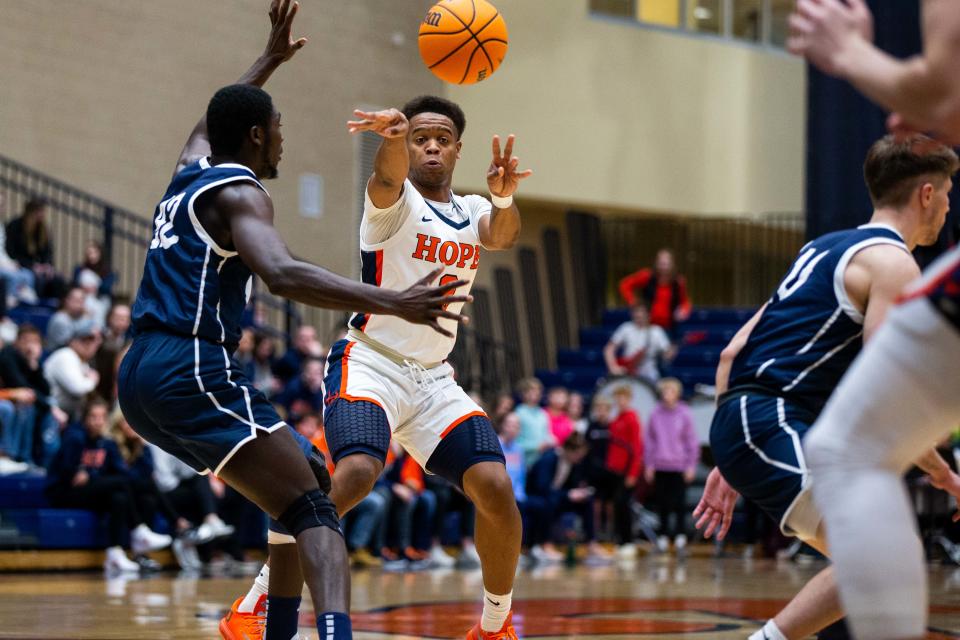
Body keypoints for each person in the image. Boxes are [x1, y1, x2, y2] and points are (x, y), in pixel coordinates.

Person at [114, 4, 467, 640]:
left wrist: (270, 59)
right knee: (314, 504)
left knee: (302, 484)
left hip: (138, 373)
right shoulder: (242, 191)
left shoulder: (189, 172)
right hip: (189, 367)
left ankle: (269, 629)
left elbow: (209, 120)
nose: (283, 137)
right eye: (276, 126)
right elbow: (281, 272)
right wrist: (392, 300)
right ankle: (331, 632)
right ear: (254, 137)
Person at [229, 92, 532, 640]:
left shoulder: (470, 210)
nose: (431, 147)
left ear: (458, 149)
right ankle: (252, 604)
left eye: (441, 139)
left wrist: (505, 199)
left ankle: (494, 626)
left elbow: (502, 236)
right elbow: (387, 175)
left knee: (494, 486)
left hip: (434, 377)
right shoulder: (392, 203)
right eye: (420, 138)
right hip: (370, 361)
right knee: (358, 473)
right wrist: (391, 139)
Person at [693, 134, 960, 640]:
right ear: (926, 194)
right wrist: (944, 474)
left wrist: (731, 455)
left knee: (881, 559)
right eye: (948, 191)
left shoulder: (822, 247)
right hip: (770, 418)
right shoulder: (895, 264)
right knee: (877, 558)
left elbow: (732, 352)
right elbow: (889, 392)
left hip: (756, 420)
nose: (950, 205)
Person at [788, 2, 960, 638]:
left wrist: (850, 54)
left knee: (852, 450)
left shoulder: (862, 256)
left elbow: (943, 94)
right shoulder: (883, 259)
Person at [45, 398, 172, 573]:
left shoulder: (107, 443)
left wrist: (90, 475)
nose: (98, 422)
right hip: (63, 493)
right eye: (93, 417)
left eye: (102, 417)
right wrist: (91, 475)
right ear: (85, 418)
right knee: (119, 484)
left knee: (119, 497)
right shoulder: (75, 437)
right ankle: (138, 531)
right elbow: (70, 476)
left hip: (91, 491)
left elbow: (120, 472)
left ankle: (115, 554)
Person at [644, 378, 699, 554]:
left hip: (679, 466)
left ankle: (681, 537)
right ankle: (662, 538)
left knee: (680, 503)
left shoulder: (685, 413)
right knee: (662, 504)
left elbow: (691, 441)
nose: (667, 395)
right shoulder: (655, 414)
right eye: (665, 391)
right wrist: (649, 465)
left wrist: (691, 465)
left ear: (677, 393)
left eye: (671, 391)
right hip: (660, 465)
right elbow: (649, 442)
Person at [0, 324, 67, 467]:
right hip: (11, 400)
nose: (30, 346)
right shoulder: (7, 355)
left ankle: (47, 464)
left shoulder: (30, 360)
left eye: (34, 341)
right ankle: (17, 457)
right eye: (26, 340)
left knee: (48, 415)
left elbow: (46, 390)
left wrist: (34, 365)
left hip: (25, 400)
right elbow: (20, 384)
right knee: (27, 408)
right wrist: (50, 407)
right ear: (16, 342)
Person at [498, 411, 558, 564]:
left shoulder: (519, 450)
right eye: (509, 424)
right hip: (499, 495)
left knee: (542, 505)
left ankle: (533, 547)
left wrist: (520, 494)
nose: (512, 428)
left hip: (518, 495)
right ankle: (511, 551)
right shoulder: (495, 445)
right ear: (502, 426)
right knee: (518, 508)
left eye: (516, 426)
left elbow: (522, 477)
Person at [617, 249, 692, 335]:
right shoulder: (646, 276)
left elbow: (685, 302)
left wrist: (684, 311)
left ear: (672, 265)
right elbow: (625, 284)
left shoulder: (678, 282)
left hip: (669, 327)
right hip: (647, 325)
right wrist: (633, 302)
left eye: (666, 263)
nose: (664, 267)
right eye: (661, 263)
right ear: (656, 263)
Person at [44, 320, 101, 423]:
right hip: (49, 411)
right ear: (72, 340)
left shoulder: (82, 362)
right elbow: (77, 389)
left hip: (67, 415)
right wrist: (92, 380)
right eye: (84, 339)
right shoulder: (66, 355)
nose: (89, 344)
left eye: (93, 340)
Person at [5, 198, 64, 299]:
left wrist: (47, 265)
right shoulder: (15, 226)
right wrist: (32, 266)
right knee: (37, 279)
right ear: (31, 212)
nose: (42, 215)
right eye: (39, 211)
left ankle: (55, 308)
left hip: (38, 267)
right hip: (22, 265)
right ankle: (35, 308)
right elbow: (12, 253)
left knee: (58, 279)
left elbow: (48, 252)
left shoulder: (43, 228)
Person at [603, 303, 674, 382]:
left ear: (648, 315)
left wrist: (670, 353)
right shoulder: (626, 328)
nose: (639, 317)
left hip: (649, 374)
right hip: (628, 372)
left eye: (642, 314)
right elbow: (609, 349)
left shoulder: (656, 331)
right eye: (636, 314)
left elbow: (667, 354)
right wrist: (613, 367)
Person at [515, 377, 554, 467]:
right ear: (523, 393)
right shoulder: (518, 413)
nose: (536, 393)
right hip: (525, 460)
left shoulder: (543, 413)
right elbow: (516, 442)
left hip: (543, 458)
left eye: (538, 390)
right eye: (531, 390)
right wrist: (536, 446)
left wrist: (552, 441)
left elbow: (547, 434)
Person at [46, 286, 93, 350]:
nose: (80, 304)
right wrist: (87, 319)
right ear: (67, 300)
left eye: (82, 300)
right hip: (58, 355)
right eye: (77, 300)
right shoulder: (60, 319)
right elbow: (71, 345)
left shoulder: (77, 317)